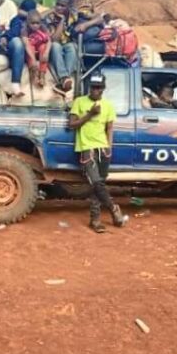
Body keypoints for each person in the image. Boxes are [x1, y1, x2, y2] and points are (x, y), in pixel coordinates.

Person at [69, 72, 127, 233]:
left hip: (103, 149)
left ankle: (95, 220)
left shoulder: (108, 106)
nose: (96, 91)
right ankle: (114, 208)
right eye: (94, 87)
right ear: (89, 87)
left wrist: (109, 146)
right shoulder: (79, 102)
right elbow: (72, 124)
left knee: (99, 185)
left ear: (103, 89)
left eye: (99, 88)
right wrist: (90, 114)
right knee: (96, 182)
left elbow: (109, 128)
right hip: (87, 148)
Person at [44, 0, 79, 91]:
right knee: (56, 46)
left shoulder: (73, 16)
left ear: (68, 7)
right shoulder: (51, 17)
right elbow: (54, 38)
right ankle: (64, 78)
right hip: (54, 44)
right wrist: (61, 20)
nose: (59, 8)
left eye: (62, 6)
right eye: (57, 4)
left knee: (72, 47)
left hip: (67, 43)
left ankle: (64, 80)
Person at [24, 9, 53, 88]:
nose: (35, 25)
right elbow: (26, 44)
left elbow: (49, 41)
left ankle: (42, 74)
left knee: (43, 47)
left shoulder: (43, 28)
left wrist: (47, 53)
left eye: (37, 23)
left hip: (40, 49)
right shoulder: (25, 29)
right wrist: (33, 59)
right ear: (28, 22)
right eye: (32, 23)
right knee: (31, 48)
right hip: (31, 50)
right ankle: (34, 74)